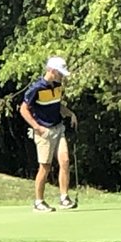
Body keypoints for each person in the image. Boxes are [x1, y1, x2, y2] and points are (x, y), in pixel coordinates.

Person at [19, 55, 78, 212]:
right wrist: (36, 127)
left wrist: (70, 113)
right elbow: (23, 110)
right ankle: (38, 202)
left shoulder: (57, 86)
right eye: (60, 73)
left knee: (65, 161)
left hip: (59, 128)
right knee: (45, 167)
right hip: (44, 132)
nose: (62, 76)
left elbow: (57, 106)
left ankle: (64, 198)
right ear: (52, 71)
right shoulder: (36, 88)